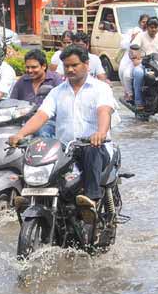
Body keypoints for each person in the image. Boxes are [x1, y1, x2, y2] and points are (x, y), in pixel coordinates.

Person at [9, 44, 116, 214]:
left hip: (95, 147)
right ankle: (33, 199)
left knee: (91, 150)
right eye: (67, 66)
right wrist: (20, 134)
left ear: (86, 64)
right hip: (66, 151)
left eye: (75, 65)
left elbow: (104, 111)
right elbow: (41, 116)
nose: (70, 69)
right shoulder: (57, 92)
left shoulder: (100, 88)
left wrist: (101, 133)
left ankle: (91, 202)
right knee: (38, 151)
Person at [130, 17, 158, 112]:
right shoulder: (141, 36)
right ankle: (139, 102)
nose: (153, 29)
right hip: (144, 62)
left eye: (156, 27)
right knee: (138, 73)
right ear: (147, 27)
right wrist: (135, 54)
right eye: (151, 27)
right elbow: (134, 48)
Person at [119, 14, 150, 102]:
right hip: (133, 58)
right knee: (126, 74)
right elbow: (123, 45)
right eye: (143, 22)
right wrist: (132, 38)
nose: (145, 24)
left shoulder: (152, 32)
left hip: (148, 59)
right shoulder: (134, 32)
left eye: (147, 22)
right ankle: (130, 94)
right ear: (140, 23)